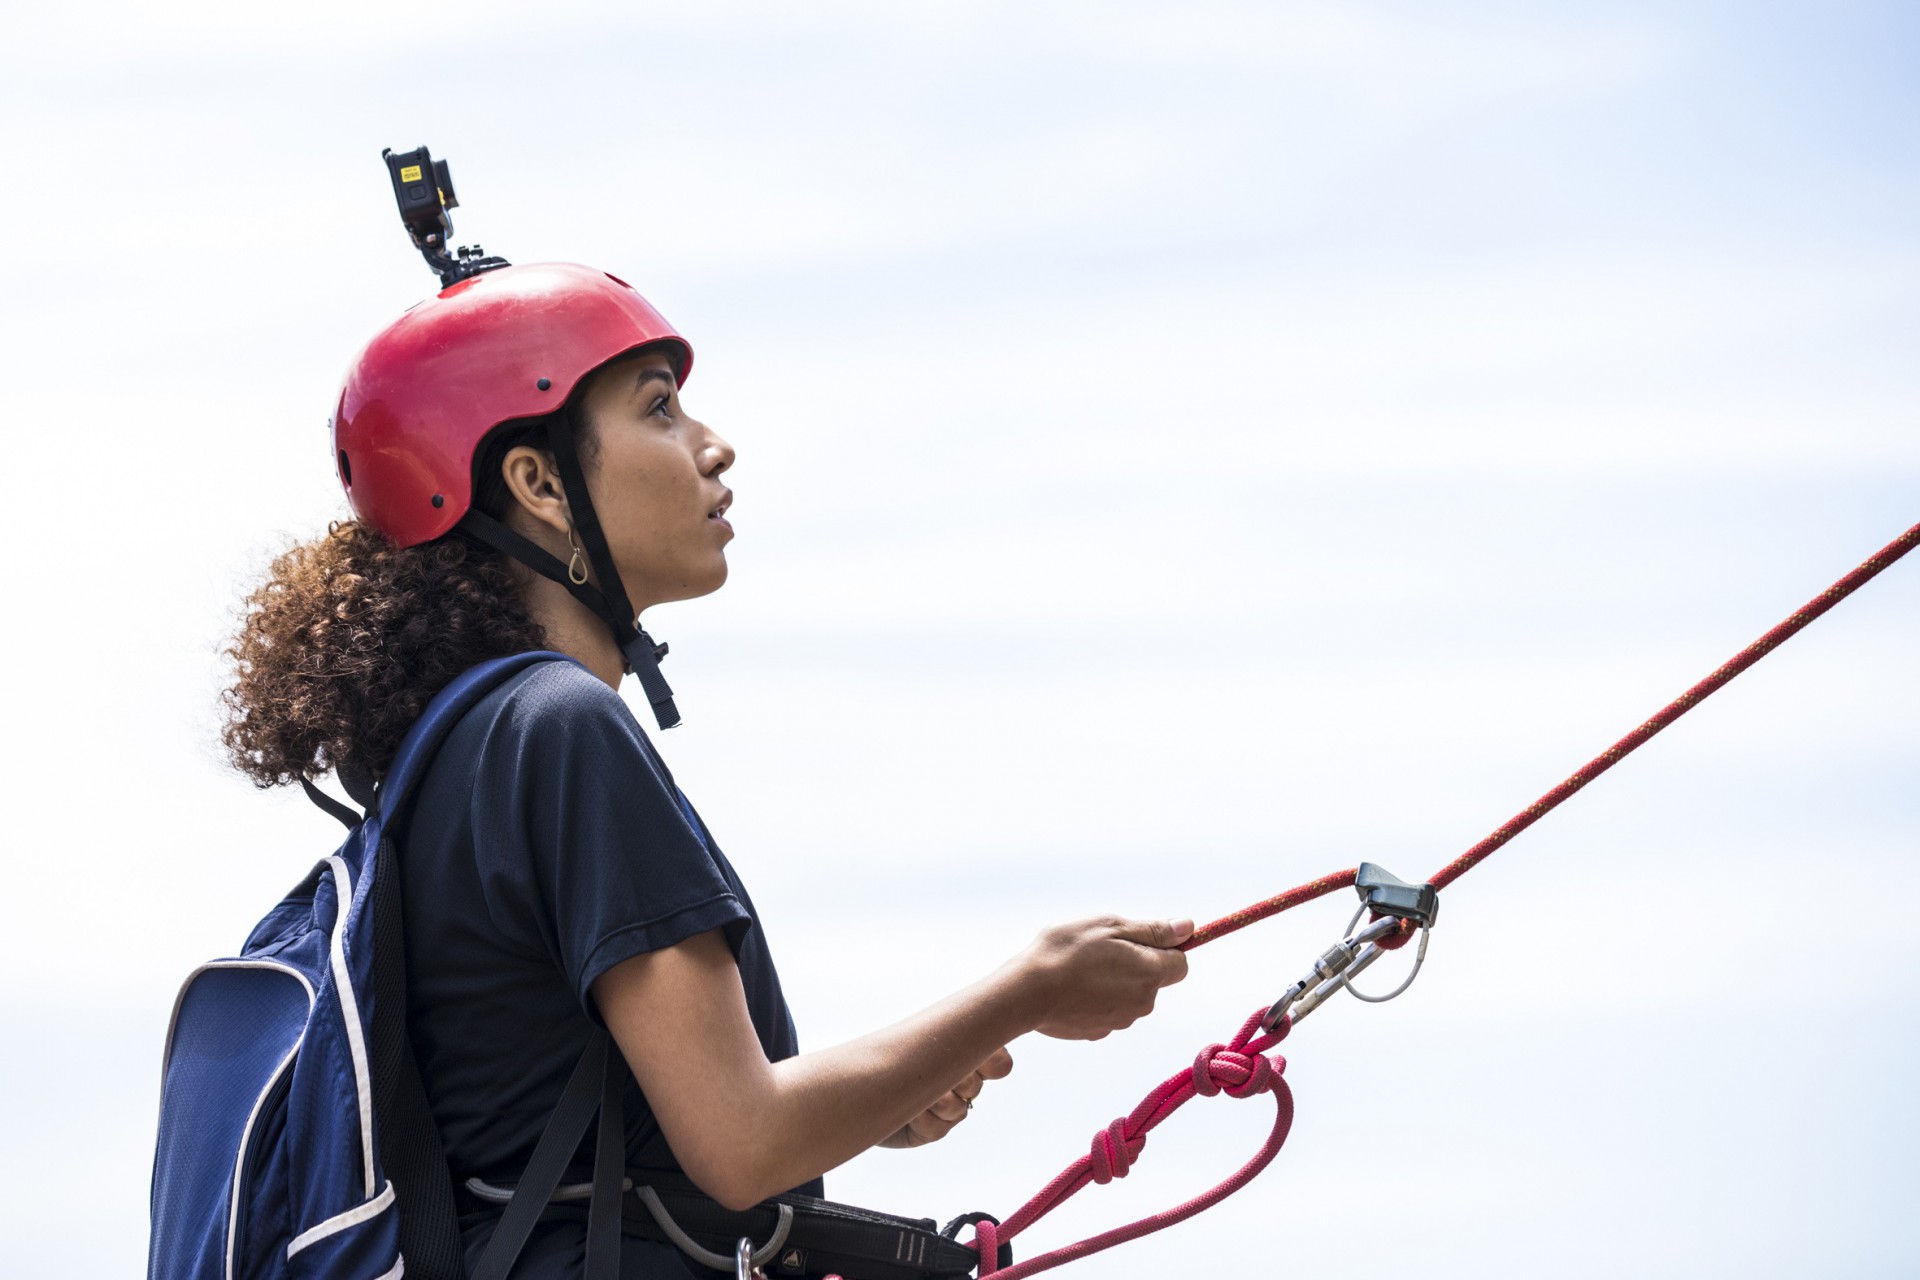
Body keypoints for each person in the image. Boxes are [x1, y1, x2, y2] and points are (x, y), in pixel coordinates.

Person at [220, 261, 1192, 1278]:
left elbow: (633, 1131)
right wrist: (1032, 989)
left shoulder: (453, 759)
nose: (713, 444)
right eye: (661, 409)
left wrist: (889, 1096)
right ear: (539, 483)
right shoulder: (562, 729)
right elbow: (742, 1142)